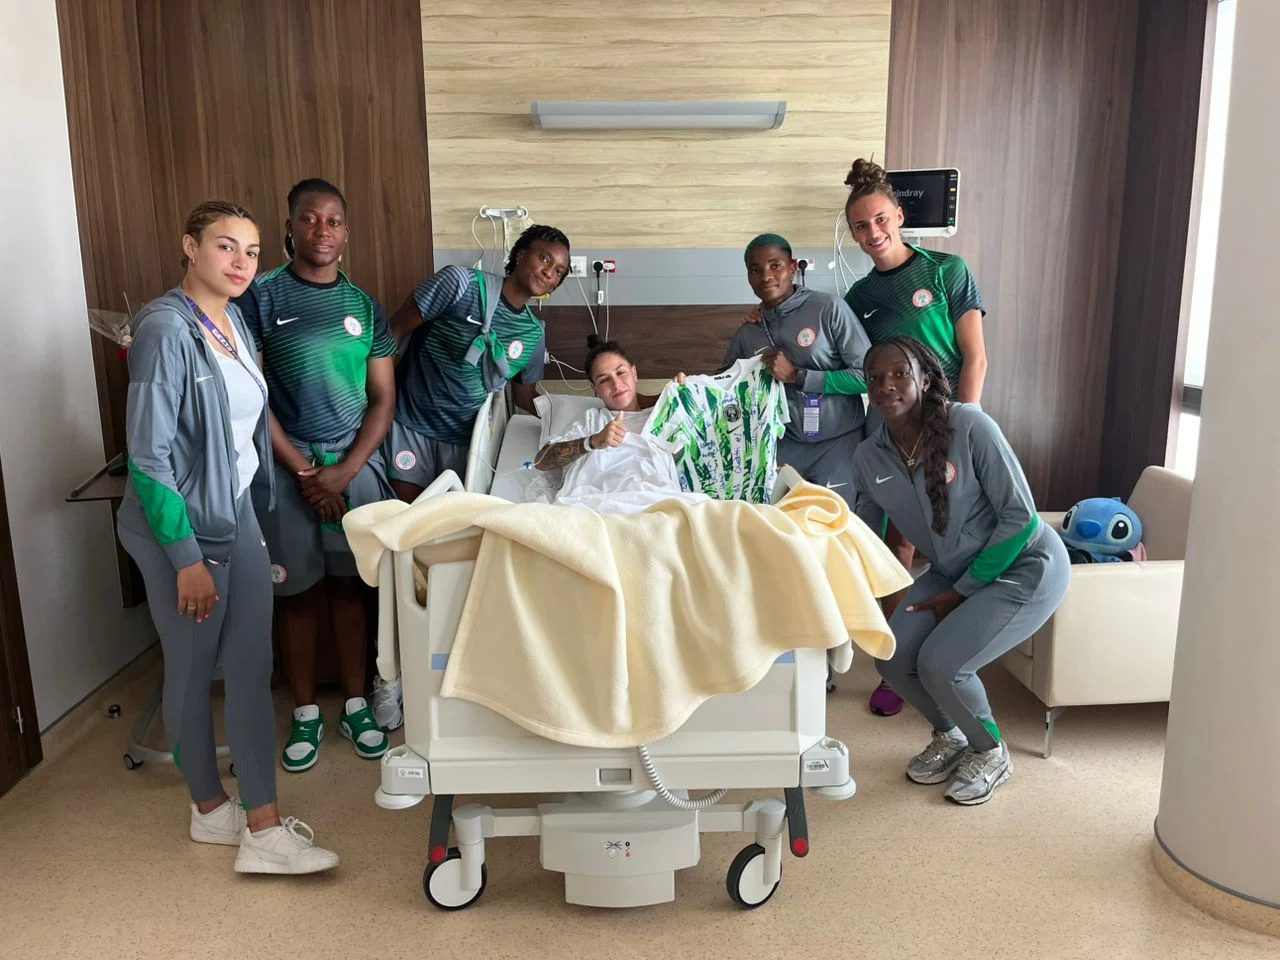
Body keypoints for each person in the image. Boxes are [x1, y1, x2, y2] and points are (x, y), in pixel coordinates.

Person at [117, 200, 338, 873]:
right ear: (190, 247)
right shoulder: (165, 330)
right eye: (225, 246)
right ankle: (213, 810)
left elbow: (239, 430)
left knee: (249, 664)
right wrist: (185, 558)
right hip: (178, 529)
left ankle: (260, 824)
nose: (241, 262)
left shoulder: (233, 321)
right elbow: (148, 459)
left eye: (252, 250)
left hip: (232, 513)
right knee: (191, 669)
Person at [851, 337, 1068, 805]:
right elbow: (864, 535)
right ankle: (950, 734)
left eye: (900, 373)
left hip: (1024, 566)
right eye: (875, 378)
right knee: (891, 657)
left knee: (942, 664)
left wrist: (965, 590)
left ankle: (991, 751)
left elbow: (1021, 518)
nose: (886, 385)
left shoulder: (969, 426)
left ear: (926, 379)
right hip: (953, 571)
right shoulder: (869, 457)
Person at [234, 178, 397, 771]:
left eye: (333, 221)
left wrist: (345, 472)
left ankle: (355, 705)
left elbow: (383, 399)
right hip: (286, 468)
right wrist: (306, 473)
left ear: (346, 233)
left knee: (352, 589)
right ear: (290, 228)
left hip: (353, 465)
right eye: (309, 219)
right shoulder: (259, 298)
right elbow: (253, 397)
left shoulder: (365, 307)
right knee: (296, 594)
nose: (321, 231)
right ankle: (305, 711)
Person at [385, 224, 572, 504]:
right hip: (410, 424)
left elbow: (524, 398)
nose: (549, 273)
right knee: (406, 515)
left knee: (450, 522)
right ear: (520, 255)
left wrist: (575, 422)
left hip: (465, 440)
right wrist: (379, 403)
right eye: (544, 258)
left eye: (558, 271)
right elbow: (393, 334)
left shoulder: (532, 334)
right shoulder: (460, 285)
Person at [723, 233, 873, 495]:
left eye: (775, 265)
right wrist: (686, 386)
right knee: (776, 518)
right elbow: (724, 387)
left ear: (793, 267)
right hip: (781, 443)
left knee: (834, 517)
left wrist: (798, 376)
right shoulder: (749, 332)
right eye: (755, 270)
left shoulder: (828, 309)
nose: (766, 276)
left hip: (838, 442)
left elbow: (867, 377)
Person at [529, 338, 706, 515]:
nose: (616, 384)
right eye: (604, 380)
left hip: (657, 503)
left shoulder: (664, 414)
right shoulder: (592, 420)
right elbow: (542, 461)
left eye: (620, 372)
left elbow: (705, 449)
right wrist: (593, 441)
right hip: (597, 505)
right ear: (595, 389)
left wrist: (690, 395)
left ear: (634, 373)